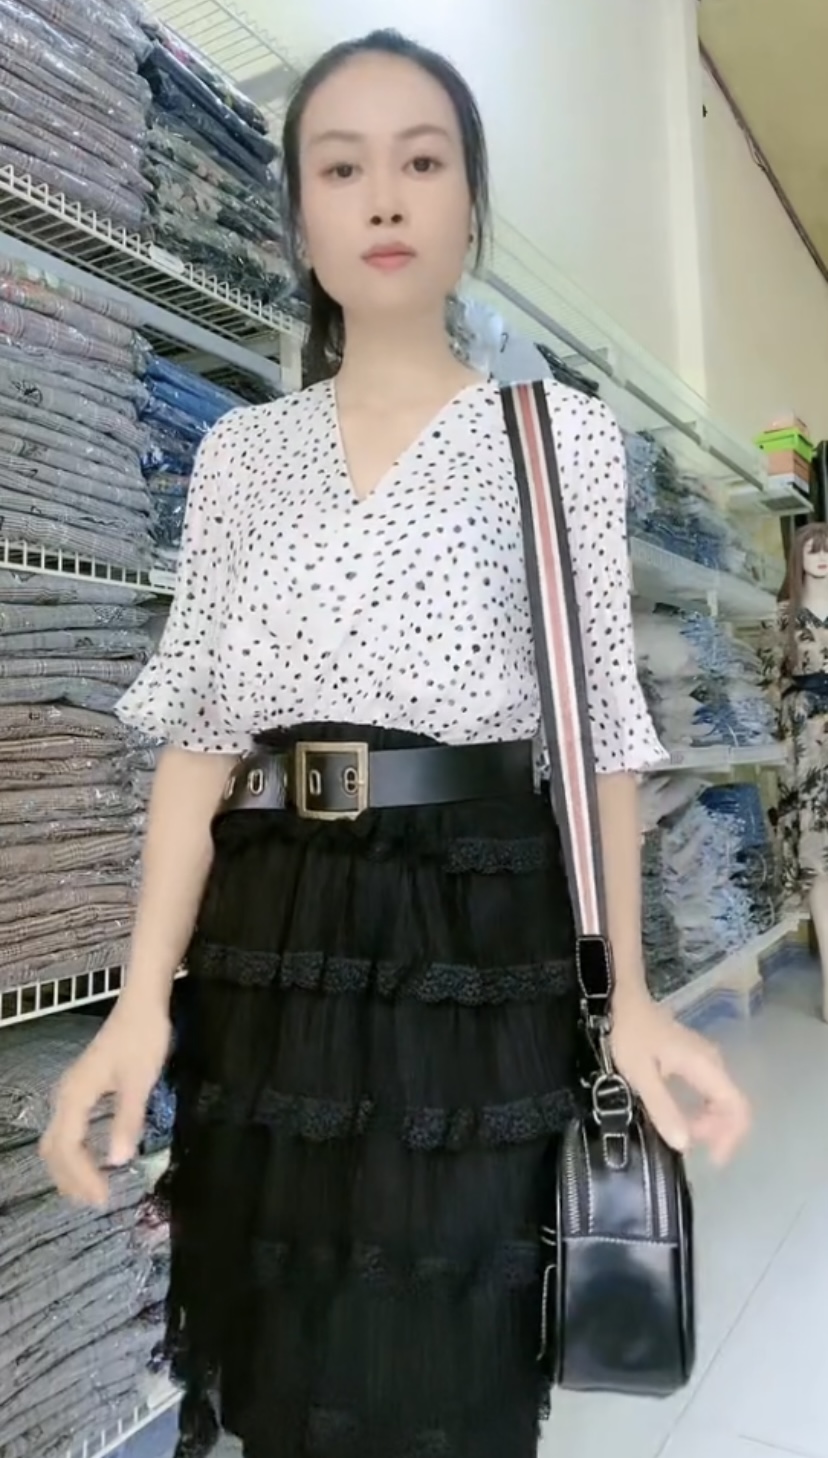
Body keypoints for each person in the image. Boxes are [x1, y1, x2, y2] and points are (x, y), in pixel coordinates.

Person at [40, 29, 751, 1458]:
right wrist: (136, 1007)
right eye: (340, 167)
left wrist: (628, 995)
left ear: (469, 202)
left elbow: (601, 735)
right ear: (298, 211)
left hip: (471, 920)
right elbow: (199, 743)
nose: (382, 197)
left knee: (446, 1340)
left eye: (421, 162)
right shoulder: (241, 454)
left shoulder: (557, 440)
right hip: (275, 926)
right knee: (286, 1324)